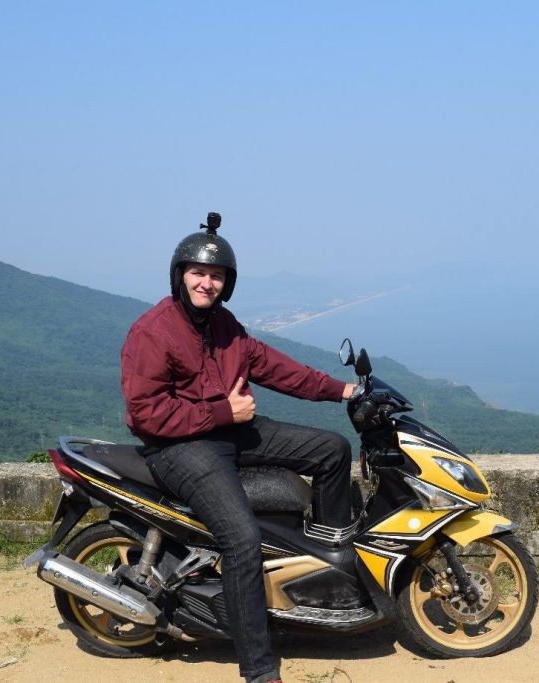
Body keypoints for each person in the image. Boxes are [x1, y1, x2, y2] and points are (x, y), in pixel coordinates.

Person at [120, 212, 356, 683]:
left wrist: (343, 391)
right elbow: (145, 413)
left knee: (332, 450)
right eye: (199, 273)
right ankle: (259, 670)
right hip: (180, 448)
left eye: (217, 276)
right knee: (242, 539)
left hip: (232, 431)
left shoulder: (225, 325)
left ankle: (330, 576)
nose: (207, 283)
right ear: (180, 275)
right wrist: (223, 413)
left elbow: (275, 367)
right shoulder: (153, 331)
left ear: (227, 284)